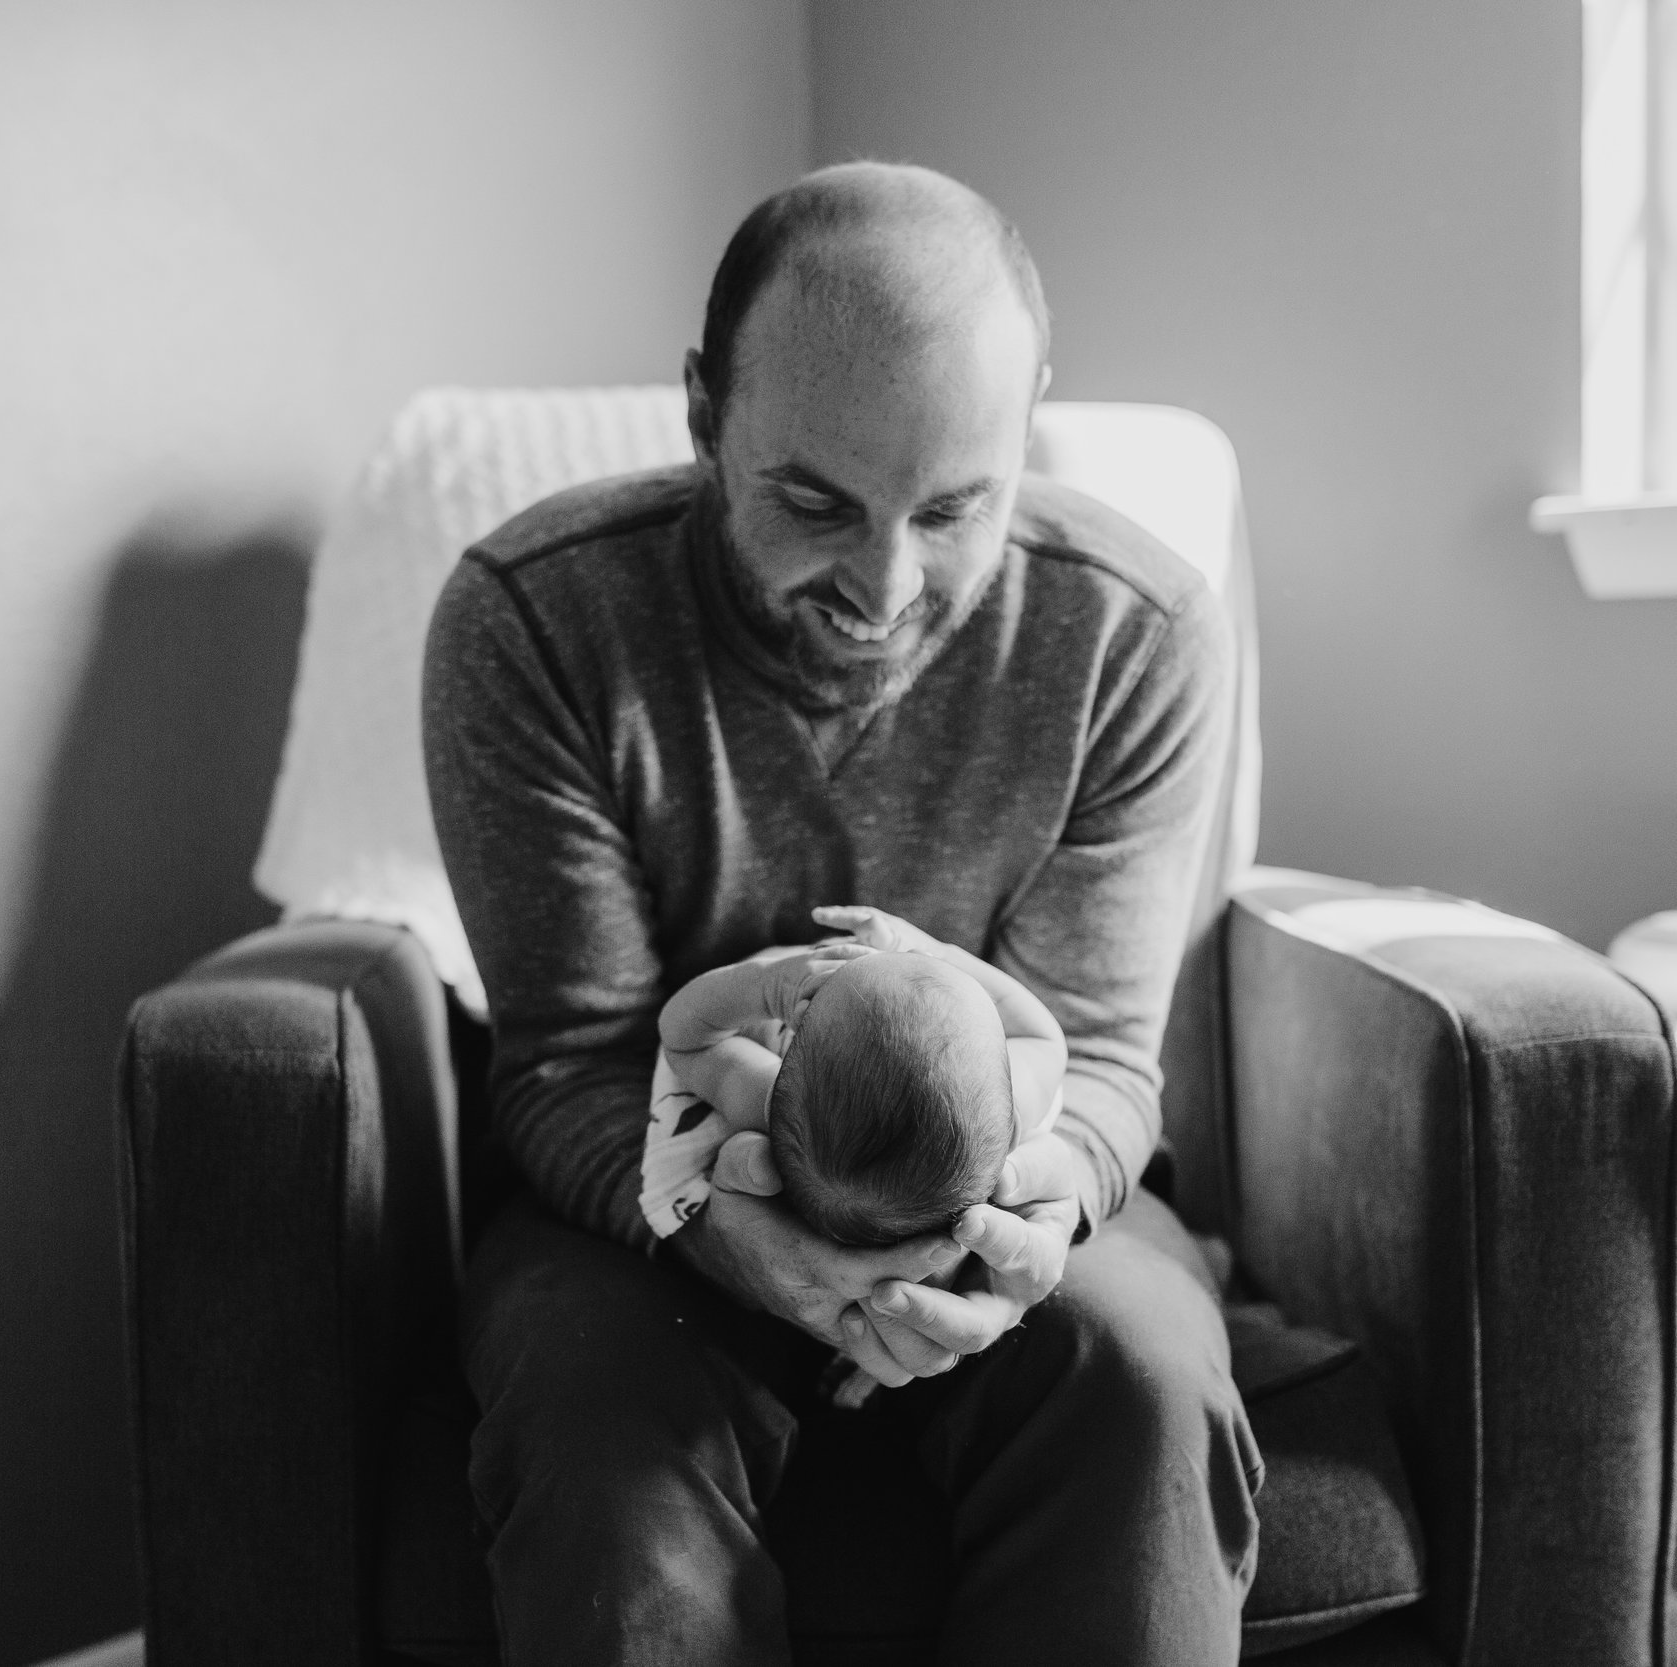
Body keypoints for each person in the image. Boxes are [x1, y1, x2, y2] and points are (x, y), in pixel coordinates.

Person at [424, 160, 1258, 1665]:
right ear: (703, 411)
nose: (885, 584)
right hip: (652, 1196)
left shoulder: (1135, 637)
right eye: (815, 501)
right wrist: (720, 1221)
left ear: (1029, 427)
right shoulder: (535, 619)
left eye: (955, 510)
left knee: (1138, 1379)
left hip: (1004, 1173)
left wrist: (1019, 1232)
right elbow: (570, 1057)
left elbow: (1108, 1058)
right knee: (605, 1444)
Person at [654, 902, 1067, 1252]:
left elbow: (685, 1039)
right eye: (922, 967)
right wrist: (936, 951)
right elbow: (1043, 1035)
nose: (898, 957)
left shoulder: (774, 1103)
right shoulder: (1010, 1109)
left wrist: (768, 988)